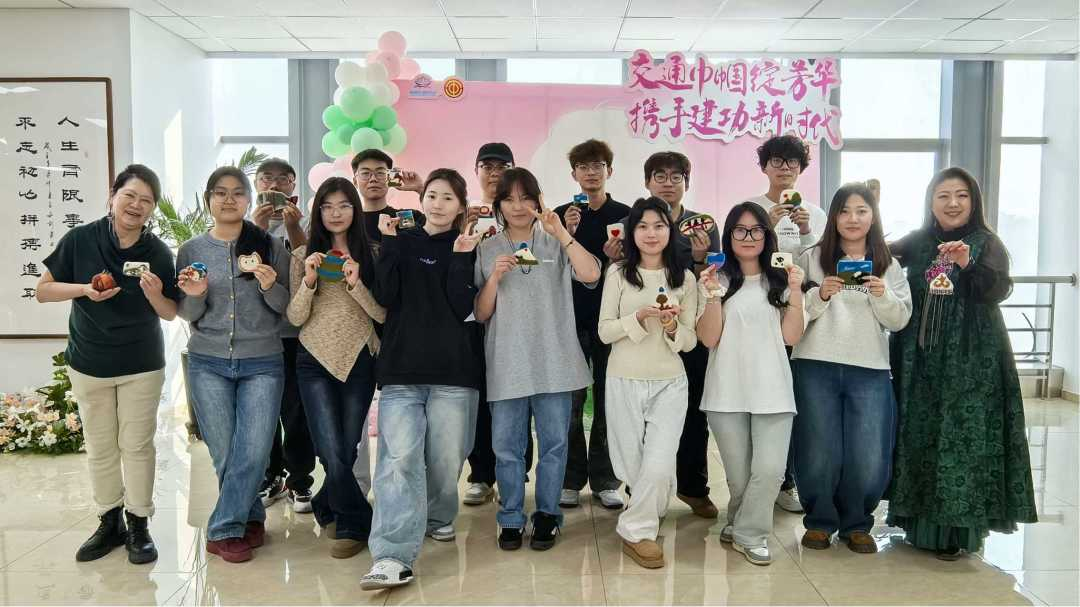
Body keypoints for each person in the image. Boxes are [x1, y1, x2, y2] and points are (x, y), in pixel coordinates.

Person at [886, 167, 1036, 560]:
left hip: (973, 359)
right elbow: (876, 254)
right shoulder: (918, 241)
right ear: (931, 202)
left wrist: (969, 264)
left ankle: (958, 532)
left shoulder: (987, 243)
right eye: (943, 195)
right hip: (919, 358)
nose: (953, 203)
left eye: (962, 195)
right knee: (920, 432)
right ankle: (917, 523)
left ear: (974, 201)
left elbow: (998, 289)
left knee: (963, 438)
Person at [37, 164, 178, 565]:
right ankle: (108, 520)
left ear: (152, 209)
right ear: (113, 196)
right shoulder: (80, 239)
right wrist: (85, 290)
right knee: (100, 447)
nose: (136, 205)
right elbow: (43, 291)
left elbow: (170, 313)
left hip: (141, 363)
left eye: (146, 200)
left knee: (136, 445)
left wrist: (154, 293)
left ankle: (139, 523)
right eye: (129, 195)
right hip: (89, 361)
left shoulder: (157, 252)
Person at [361, 169, 484, 590]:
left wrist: (461, 256)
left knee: (447, 458)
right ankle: (392, 554)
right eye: (431, 195)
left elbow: (463, 307)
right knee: (398, 459)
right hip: (401, 369)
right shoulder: (402, 239)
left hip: (454, 370)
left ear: (460, 205)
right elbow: (385, 296)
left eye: (448, 197)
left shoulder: (469, 244)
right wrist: (389, 244)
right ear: (421, 200)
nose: (437, 204)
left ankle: (438, 515)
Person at [475, 168, 601, 551]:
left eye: (526, 197)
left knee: (554, 445)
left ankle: (547, 514)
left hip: (554, 360)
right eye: (509, 199)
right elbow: (480, 313)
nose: (518, 206)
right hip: (506, 361)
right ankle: (511, 517)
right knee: (506, 448)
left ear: (538, 201)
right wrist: (494, 279)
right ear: (498, 205)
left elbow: (591, 274)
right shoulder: (487, 247)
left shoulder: (553, 241)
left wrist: (561, 233)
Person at [177, 166, 292, 564]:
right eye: (220, 192)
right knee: (226, 453)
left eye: (237, 192)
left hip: (262, 362)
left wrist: (268, 285)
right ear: (209, 198)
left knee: (255, 451)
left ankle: (223, 528)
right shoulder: (191, 250)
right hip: (207, 362)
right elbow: (187, 312)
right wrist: (195, 294)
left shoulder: (269, 245)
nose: (229, 199)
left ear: (248, 199)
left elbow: (287, 308)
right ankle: (250, 516)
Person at [792, 182, 912, 554]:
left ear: (873, 216)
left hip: (869, 367)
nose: (853, 218)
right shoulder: (812, 258)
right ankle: (819, 521)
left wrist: (882, 295)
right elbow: (793, 312)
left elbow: (899, 319)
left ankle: (858, 523)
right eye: (844, 211)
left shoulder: (888, 264)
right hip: (815, 363)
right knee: (817, 447)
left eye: (861, 210)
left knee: (869, 450)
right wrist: (819, 294)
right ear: (833, 217)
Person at [606, 151, 720, 519]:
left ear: (687, 182)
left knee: (691, 417)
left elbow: (713, 277)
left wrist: (701, 258)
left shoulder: (703, 225)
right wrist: (613, 259)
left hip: (684, 332)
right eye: (660, 176)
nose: (668, 183)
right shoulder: (629, 228)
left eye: (676, 176)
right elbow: (617, 289)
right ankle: (639, 496)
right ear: (647, 181)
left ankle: (692, 487)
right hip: (634, 347)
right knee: (633, 432)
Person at [696, 201, 806, 566]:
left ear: (766, 235)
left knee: (771, 472)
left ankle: (749, 533)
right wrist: (712, 296)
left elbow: (792, 337)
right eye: (740, 230)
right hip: (726, 391)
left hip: (773, 390)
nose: (748, 237)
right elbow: (709, 338)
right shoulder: (717, 279)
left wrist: (796, 291)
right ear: (729, 236)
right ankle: (740, 523)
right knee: (740, 478)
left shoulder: (782, 280)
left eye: (756, 230)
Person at [598, 197, 700, 568]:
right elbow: (605, 331)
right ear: (632, 232)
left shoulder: (685, 278)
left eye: (659, 226)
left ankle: (637, 532)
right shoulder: (618, 273)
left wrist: (672, 327)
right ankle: (647, 509)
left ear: (670, 232)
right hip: (623, 379)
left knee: (657, 463)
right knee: (631, 465)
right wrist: (639, 318)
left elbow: (690, 340)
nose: (651, 233)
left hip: (669, 382)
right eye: (642, 226)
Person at [287, 177, 385, 559]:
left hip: (360, 357)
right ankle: (354, 521)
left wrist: (356, 283)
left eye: (343, 205)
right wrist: (310, 281)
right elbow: (295, 317)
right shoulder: (301, 255)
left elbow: (381, 314)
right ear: (318, 212)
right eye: (327, 207)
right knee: (329, 447)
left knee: (346, 446)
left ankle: (327, 504)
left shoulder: (372, 253)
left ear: (354, 210)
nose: (335, 213)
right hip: (313, 359)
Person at [748, 135, 827, 513]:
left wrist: (808, 230)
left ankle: (788, 481)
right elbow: (742, 258)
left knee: (794, 399)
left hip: (802, 314)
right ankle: (757, 478)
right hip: (760, 312)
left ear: (801, 169)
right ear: (764, 167)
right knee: (761, 397)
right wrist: (766, 226)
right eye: (777, 161)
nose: (784, 168)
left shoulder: (816, 213)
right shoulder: (751, 209)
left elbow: (821, 266)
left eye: (792, 162)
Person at [553, 139, 629, 511]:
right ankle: (570, 479)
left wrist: (617, 258)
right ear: (574, 174)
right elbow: (548, 267)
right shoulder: (559, 215)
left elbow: (636, 267)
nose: (591, 172)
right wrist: (565, 233)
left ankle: (606, 479)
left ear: (609, 171)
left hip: (611, 321)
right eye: (583, 167)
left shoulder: (626, 216)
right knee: (570, 402)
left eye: (598, 165)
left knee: (608, 400)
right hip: (568, 321)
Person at [250, 158, 316, 514]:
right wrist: (257, 230)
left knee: (296, 411)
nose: (274, 185)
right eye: (266, 178)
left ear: (293, 185)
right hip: (259, 335)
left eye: (282, 179)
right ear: (257, 185)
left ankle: (300, 480)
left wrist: (293, 228)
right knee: (263, 412)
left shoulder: (306, 222)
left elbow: (309, 266)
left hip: (297, 333)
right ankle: (270, 475)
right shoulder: (246, 226)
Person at [462, 141, 524, 507]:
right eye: (487, 166)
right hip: (472, 322)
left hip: (515, 322)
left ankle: (516, 473)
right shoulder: (465, 213)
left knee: (517, 395)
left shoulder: (524, 215)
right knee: (480, 397)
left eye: (503, 166)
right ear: (477, 171)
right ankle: (482, 474)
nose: (495, 172)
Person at [352, 148, 425, 256]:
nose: (373, 179)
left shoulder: (403, 217)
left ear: (390, 178)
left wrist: (420, 189)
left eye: (380, 173)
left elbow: (442, 226)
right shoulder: (351, 221)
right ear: (355, 182)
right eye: (365, 173)